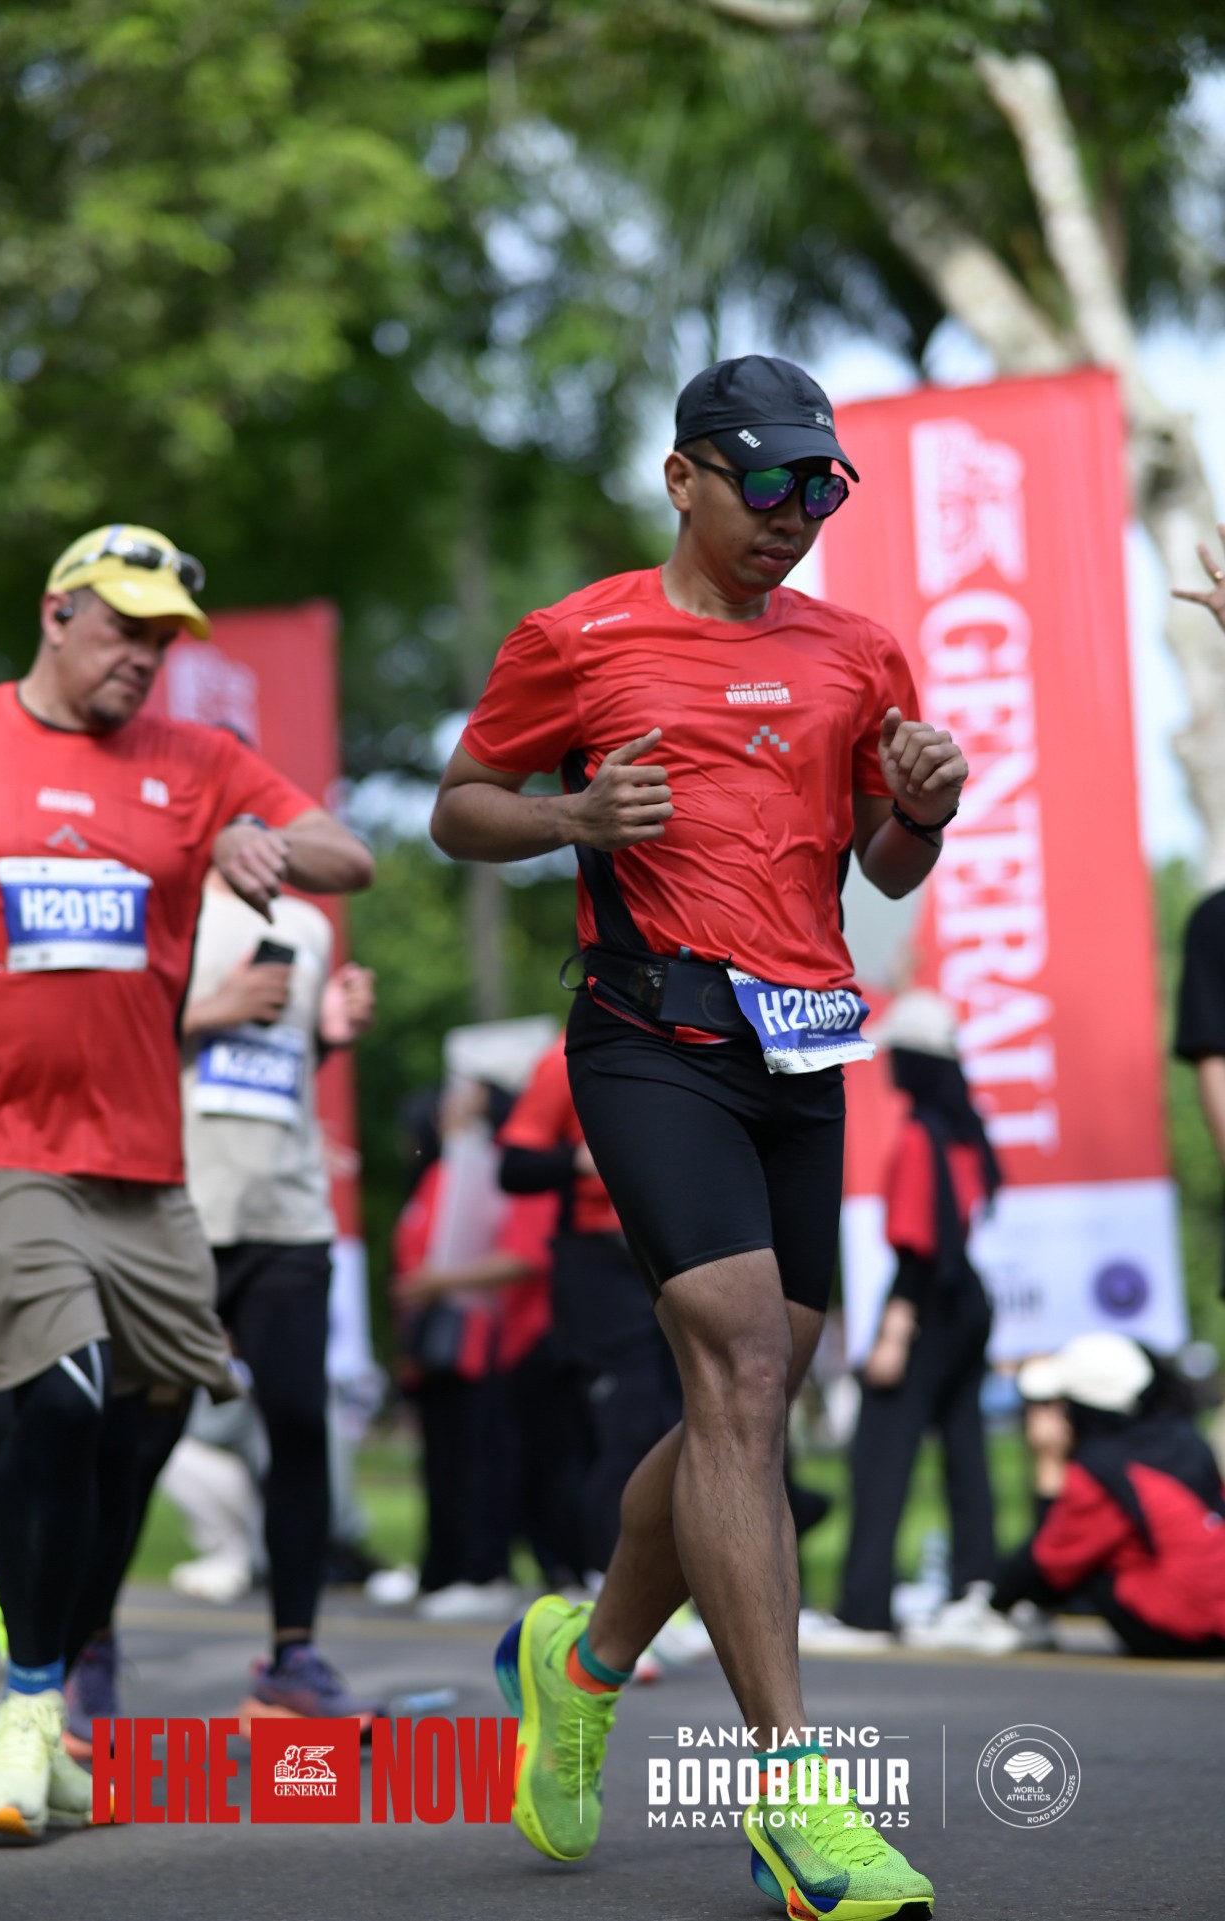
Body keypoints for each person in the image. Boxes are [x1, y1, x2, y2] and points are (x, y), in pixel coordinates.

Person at [432, 354, 968, 1917]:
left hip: (801, 1048)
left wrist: (923, 807)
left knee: (754, 1391)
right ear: (684, 477)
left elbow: (883, 868)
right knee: (736, 1369)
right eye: (768, 481)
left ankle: (584, 1659)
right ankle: (797, 1792)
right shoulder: (578, 637)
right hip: (648, 1034)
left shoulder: (858, 651)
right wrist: (570, 820)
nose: (796, 514)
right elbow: (462, 802)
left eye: (824, 487)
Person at [0, 524, 371, 1837]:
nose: (144, 655)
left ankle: (64, 1666)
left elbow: (346, 856)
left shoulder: (194, 760)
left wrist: (254, 836)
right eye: (123, 627)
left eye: (163, 638)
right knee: (63, 1398)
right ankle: (34, 1706)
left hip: (147, 1171)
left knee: (148, 1424)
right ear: (56, 613)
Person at [65, 870, 379, 1738]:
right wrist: (212, 1009)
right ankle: (87, 1648)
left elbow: (277, 1068)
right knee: (141, 1438)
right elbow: (92, 1042)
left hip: (289, 1215)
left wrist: (328, 1036)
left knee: (301, 1425)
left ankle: (292, 1663)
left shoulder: (309, 926)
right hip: (177, 1214)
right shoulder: (156, 901)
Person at [807, 991, 1003, 1652]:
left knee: (880, 1450)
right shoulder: (964, 1127)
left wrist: (895, 1328)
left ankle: (866, 1609)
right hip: (967, 1299)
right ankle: (976, 1592)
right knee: (965, 1445)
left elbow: (921, 1245)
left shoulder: (921, 1133)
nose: (887, 1063)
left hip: (927, 1302)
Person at [498, 1031, 682, 1579]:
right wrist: (583, 1159)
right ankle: (612, 1589)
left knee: (691, 1427)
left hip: (682, 1256)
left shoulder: (699, 1038)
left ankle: (686, 1589)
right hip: (603, 1267)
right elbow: (514, 1167)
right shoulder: (569, 1054)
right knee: (628, 1432)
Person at [387, 1082, 560, 1622]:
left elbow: (521, 1256)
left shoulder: (495, 1170)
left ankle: (485, 1571)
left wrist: (439, 1282)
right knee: (445, 1460)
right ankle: (443, 1568)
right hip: (438, 1342)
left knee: (482, 1459)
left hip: (487, 1338)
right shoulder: (439, 1173)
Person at [990, 1333, 1225, 1657]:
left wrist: (1049, 1464)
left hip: (1185, 1622)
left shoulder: (1102, 1469)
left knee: (1088, 1560)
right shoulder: (1185, 1440)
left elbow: (1050, 1559)